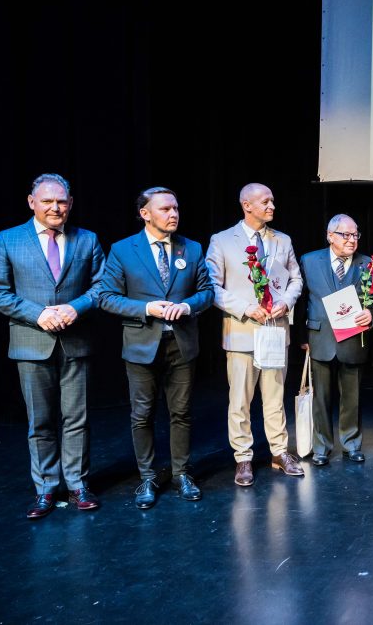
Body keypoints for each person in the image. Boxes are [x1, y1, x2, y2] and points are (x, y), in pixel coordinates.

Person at [0, 174, 104, 519]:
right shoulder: (7, 239)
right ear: (32, 203)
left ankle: (77, 485)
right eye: (47, 201)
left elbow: (102, 287)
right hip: (32, 341)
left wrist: (76, 307)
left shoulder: (87, 239)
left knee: (77, 419)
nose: (55, 208)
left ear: (70, 204)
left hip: (76, 341)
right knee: (40, 422)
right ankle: (45, 489)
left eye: (61, 201)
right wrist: (38, 314)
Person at [99, 187, 214, 509]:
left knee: (182, 412)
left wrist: (187, 306)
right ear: (145, 214)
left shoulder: (191, 248)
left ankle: (181, 473)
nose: (173, 214)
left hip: (181, 344)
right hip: (141, 345)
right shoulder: (123, 250)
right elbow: (106, 297)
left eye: (175, 208)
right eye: (165, 209)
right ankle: (147, 477)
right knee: (142, 414)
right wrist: (146, 308)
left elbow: (207, 291)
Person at [206, 183, 304, 486]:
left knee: (275, 397)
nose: (272, 206)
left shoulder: (282, 240)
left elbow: (296, 280)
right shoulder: (222, 240)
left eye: (272, 200)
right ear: (246, 205)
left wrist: (285, 302)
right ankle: (243, 457)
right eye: (265, 201)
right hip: (242, 330)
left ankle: (279, 452)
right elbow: (212, 286)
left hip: (275, 330)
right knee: (240, 399)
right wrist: (245, 308)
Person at [299, 213, 373, 465]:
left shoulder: (367, 264)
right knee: (320, 398)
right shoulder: (309, 261)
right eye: (345, 235)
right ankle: (321, 447)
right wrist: (302, 336)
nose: (352, 240)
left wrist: (371, 314)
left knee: (352, 397)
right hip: (320, 337)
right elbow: (301, 301)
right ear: (330, 236)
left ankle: (351, 443)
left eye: (355, 235)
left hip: (353, 337)